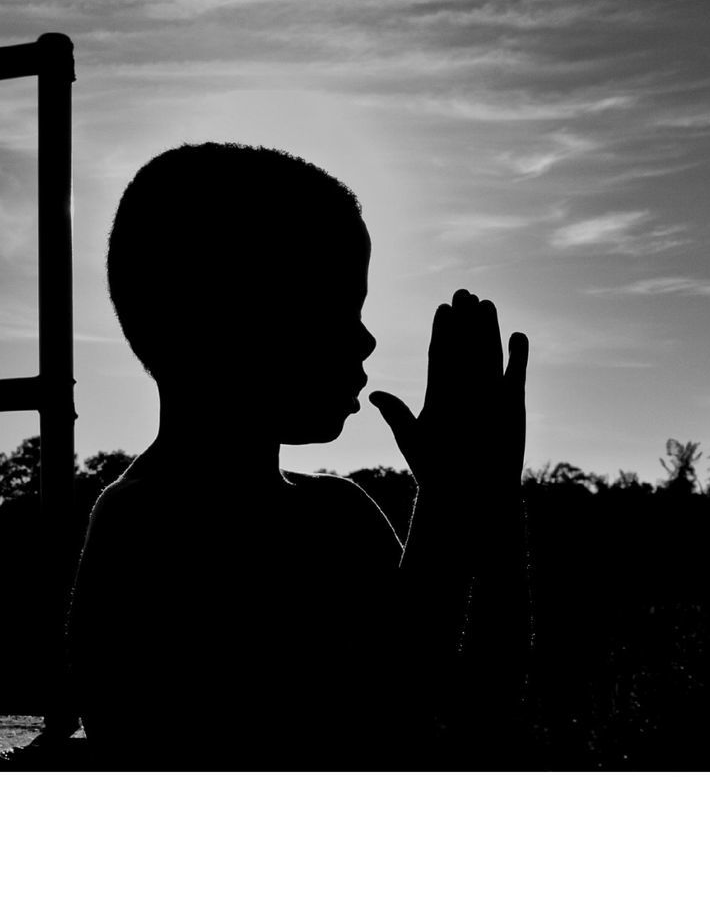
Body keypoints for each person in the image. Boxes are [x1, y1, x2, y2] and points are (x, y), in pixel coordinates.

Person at [67, 142, 531, 768]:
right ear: (235, 315)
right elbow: (386, 729)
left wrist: (490, 502)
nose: (366, 338)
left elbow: (469, 723)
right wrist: (451, 505)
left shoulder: (343, 514)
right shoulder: (147, 530)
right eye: (339, 307)